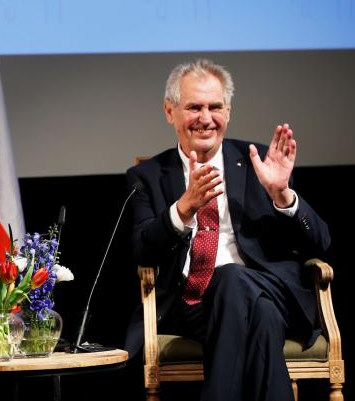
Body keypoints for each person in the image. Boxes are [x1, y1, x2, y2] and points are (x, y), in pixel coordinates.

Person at [124, 59, 331, 401]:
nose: (206, 118)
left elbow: (320, 242)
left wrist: (283, 196)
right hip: (192, 305)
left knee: (234, 278)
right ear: (169, 111)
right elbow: (142, 249)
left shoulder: (260, 163)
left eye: (215, 106)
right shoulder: (148, 176)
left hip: (272, 290)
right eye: (194, 107)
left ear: (228, 111)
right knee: (259, 315)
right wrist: (183, 208)